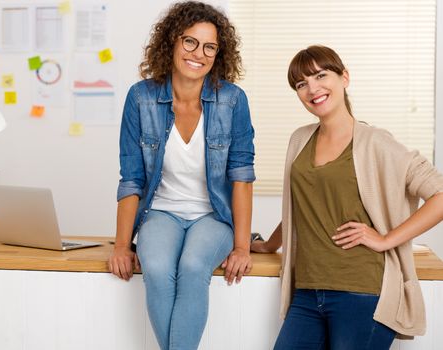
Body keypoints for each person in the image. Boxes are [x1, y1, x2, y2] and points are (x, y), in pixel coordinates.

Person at [251, 45, 443, 349]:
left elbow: (440, 195)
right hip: (307, 292)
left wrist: (385, 239)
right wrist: (269, 245)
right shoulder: (300, 139)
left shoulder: (376, 142)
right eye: (301, 83)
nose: (313, 88)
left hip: (362, 291)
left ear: (344, 78)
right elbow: (302, 208)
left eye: (321, 75)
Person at [108, 2, 255, 349]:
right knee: (157, 270)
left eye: (209, 47)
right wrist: (120, 245)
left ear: (218, 54)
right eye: (190, 42)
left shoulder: (232, 100)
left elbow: (242, 176)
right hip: (160, 212)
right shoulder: (140, 98)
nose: (198, 54)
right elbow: (131, 179)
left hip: (213, 215)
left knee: (192, 267)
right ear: (172, 41)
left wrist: (242, 247)